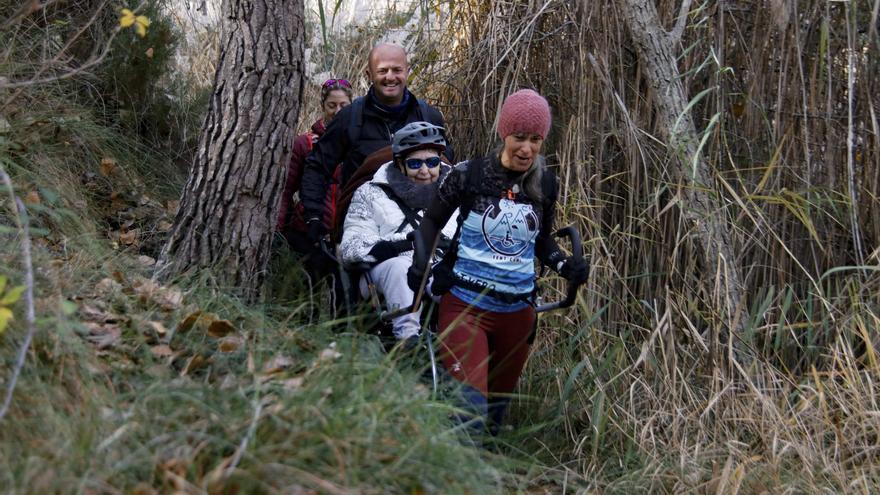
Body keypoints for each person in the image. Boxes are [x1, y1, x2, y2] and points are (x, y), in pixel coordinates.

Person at [406, 90, 589, 439]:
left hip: (518, 313)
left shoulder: (545, 184)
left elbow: (542, 242)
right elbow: (429, 224)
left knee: (493, 419)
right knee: (469, 412)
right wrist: (421, 265)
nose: (527, 148)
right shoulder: (469, 175)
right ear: (504, 133)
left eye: (536, 139)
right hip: (465, 305)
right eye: (519, 137)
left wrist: (566, 266)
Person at [301, 43, 454, 246]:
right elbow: (318, 167)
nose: (390, 77)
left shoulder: (429, 117)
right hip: (364, 227)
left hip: (420, 227)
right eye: (382, 70)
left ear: (408, 72)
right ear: (368, 74)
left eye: (397, 70)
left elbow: (445, 166)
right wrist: (314, 218)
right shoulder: (349, 118)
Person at [339, 122, 457, 344]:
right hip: (389, 270)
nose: (424, 171)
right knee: (402, 268)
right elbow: (350, 246)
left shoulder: (456, 191)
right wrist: (400, 245)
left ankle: (463, 345)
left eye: (432, 162)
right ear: (400, 164)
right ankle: (408, 341)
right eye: (415, 163)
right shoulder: (370, 194)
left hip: (440, 267)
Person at [276, 78, 353, 272]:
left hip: (350, 232)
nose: (337, 111)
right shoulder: (304, 144)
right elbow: (285, 190)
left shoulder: (359, 143)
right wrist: (277, 231)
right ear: (322, 106)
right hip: (308, 231)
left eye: (344, 105)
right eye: (331, 105)